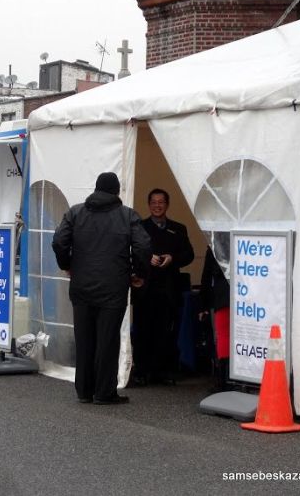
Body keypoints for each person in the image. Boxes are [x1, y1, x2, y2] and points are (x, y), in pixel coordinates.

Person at [52, 172, 151, 405]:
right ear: (117, 191)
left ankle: (84, 391)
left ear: (96, 189)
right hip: (113, 287)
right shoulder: (127, 215)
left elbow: (58, 241)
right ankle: (104, 392)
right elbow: (144, 246)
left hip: (81, 286)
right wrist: (139, 273)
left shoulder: (76, 212)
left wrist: (67, 265)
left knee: (84, 339)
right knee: (107, 340)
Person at [131, 188, 194, 385]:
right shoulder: (139, 227)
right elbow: (130, 253)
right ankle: (141, 372)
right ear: (148, 205)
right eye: (153, 202)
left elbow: (189, 255)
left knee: (166, 331)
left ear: (167, 205)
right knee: (142, 330)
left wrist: (172, 259)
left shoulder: (179, 228)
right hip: (145, 288)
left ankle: (163, 372)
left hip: (169, 288)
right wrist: (147, 258)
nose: (157, 206)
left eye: (161, 202)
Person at [199, 246, 231, 392]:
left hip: (222, 294)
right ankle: (228, 378)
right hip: (245, 293)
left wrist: (203, 305)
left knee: (223, 336)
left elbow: (207, 275)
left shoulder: (214, 243)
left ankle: (223, 380)